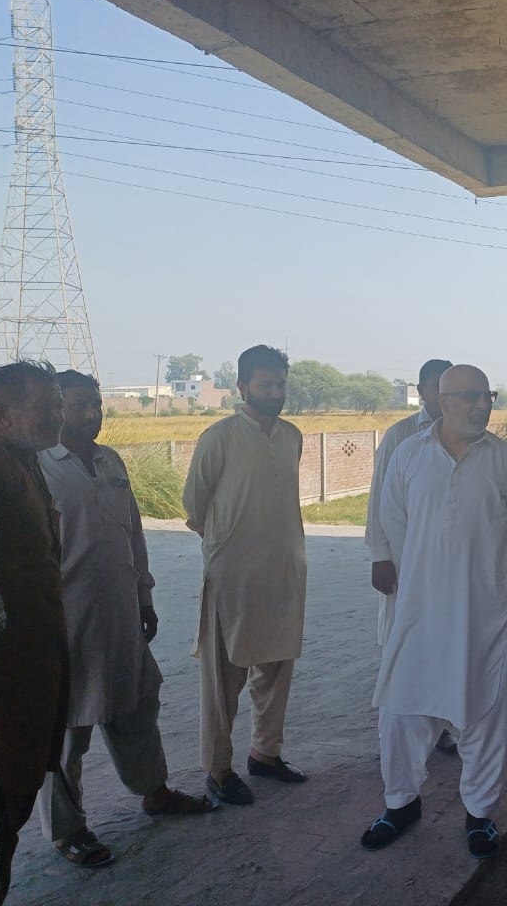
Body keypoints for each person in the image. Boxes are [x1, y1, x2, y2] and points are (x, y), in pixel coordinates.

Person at [361, 365, 507, 859]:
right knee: (402, 711)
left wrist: (477, 567)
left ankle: (480, 815)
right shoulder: (409, 455)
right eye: (470, 396)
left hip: (484, 612)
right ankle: (400, 804)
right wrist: (427, 567)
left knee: (485, 714)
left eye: (488, 396)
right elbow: (393, 520)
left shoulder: (504, 460)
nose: (482, 405)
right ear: (443, 400)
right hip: (418, 610)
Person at [36, 370, 210, 868]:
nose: (91, 414)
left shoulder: (110, 461)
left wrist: (144, 598)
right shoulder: (39, 467)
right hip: (69, 622)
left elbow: (133, 534)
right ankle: (68, 832)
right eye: (77, 405)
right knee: (67, 730)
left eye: (96, 404)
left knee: (137, 705)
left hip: (121, 614)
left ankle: (154, 791)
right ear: (56, 409)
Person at [183, 345, 308, 806]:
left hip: (284, 571)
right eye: (265, 385)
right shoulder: (219, 438)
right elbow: (195, 506)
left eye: (279, 385)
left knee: (276, 668)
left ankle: (265, 753)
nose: (274, 393)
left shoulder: (292, 436)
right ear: (242, 387)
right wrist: (227, 547)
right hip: (233, 578)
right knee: (224, 678)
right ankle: (218, 770)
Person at [0, 361, 70, 902]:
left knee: (11, 809)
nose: (57, 418)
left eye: (58, 406)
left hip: (37, 663)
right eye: (45, 408)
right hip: (10, 677)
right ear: (1, 414)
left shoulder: (26, 463)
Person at [365, 358, 458, 754]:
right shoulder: (401, 436)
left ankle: (440, 727)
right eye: (437, 387)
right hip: (405, 559)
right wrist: (380, 555)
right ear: (421, 392)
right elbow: (378, 500)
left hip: (451, 562)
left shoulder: (467, 437)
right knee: (403, 644)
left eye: (451, 388)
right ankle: (399, 728)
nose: (445, 396)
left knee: (447, 642)